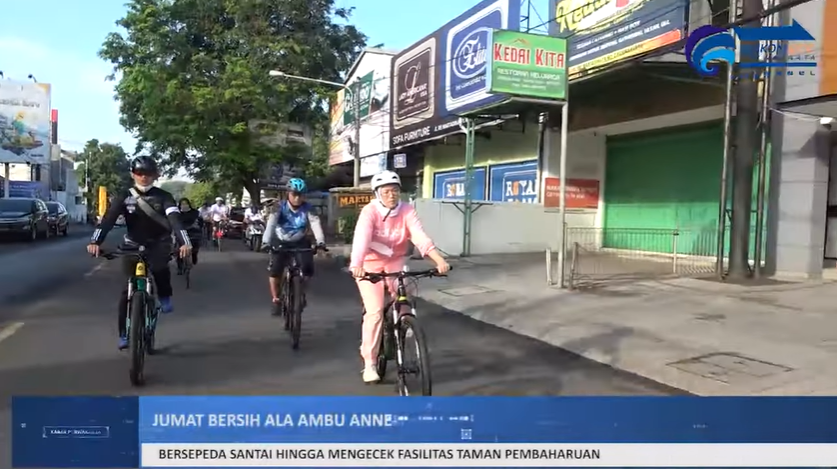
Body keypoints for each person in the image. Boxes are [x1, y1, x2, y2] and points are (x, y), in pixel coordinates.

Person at [349, 170, 450, 384]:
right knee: (375, 311)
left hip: (395, 260)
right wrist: (356, 264)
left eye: (395, 191)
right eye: (386, 191)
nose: (391, 195)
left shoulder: (406, 210)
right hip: (369, 264)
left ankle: (405, 322)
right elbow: (362, 239)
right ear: (377, 193)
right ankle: (370, 362)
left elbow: (419, 236)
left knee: (404, 291)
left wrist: (438, 260)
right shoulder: (370, 212)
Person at [86, 155, 192, 350]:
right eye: (139, 173)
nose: (144, 177)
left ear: (155, 175)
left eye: (148, 173)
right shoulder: (124, 196)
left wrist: (185, 242)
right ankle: (124, 334)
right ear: (133, 174)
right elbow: (108, 220)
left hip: (158, 243)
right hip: (132, 244)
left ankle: (165, 296)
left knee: (161, 268)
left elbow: (175, 220)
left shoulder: (164, 197)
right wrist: (95, 241)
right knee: (126, 292)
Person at [261, 178, 326, 313]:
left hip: (300, 240)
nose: (297, 198)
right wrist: (265, 241)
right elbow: (271, 224)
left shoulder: (308, 208)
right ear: (288, 194)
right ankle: (276, 299)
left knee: (307, 268)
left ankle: (300, 292)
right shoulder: (278, 207)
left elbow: (315, 224)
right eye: (294, 194)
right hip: (280, 240)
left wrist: (320, 242)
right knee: (275, 270)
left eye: (300, 195)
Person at [176, 197, 203, 273]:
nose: (184, 205)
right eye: (182, 204)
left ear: (189, 204)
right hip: (182, 232)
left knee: (195, 245)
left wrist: (198, 226)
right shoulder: (177, 214)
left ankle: (194, 254)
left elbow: (201, 222)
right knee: (178, 250)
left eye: (186, 204)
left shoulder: (195, 212)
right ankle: (180, 267)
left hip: (193, 232)